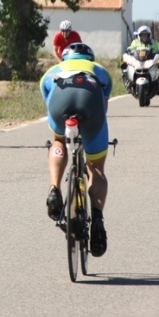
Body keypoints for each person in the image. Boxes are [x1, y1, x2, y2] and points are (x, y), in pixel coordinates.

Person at [41, 43, 112, 257]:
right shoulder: (100, 71)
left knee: (58, 141)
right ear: (89, 58)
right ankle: (97, 219)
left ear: (64, 58)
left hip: (60, 104)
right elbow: (104, 105)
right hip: (90, 104)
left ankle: (54, 188)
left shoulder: (51, 72)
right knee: (96, 167)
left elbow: (48, 100)